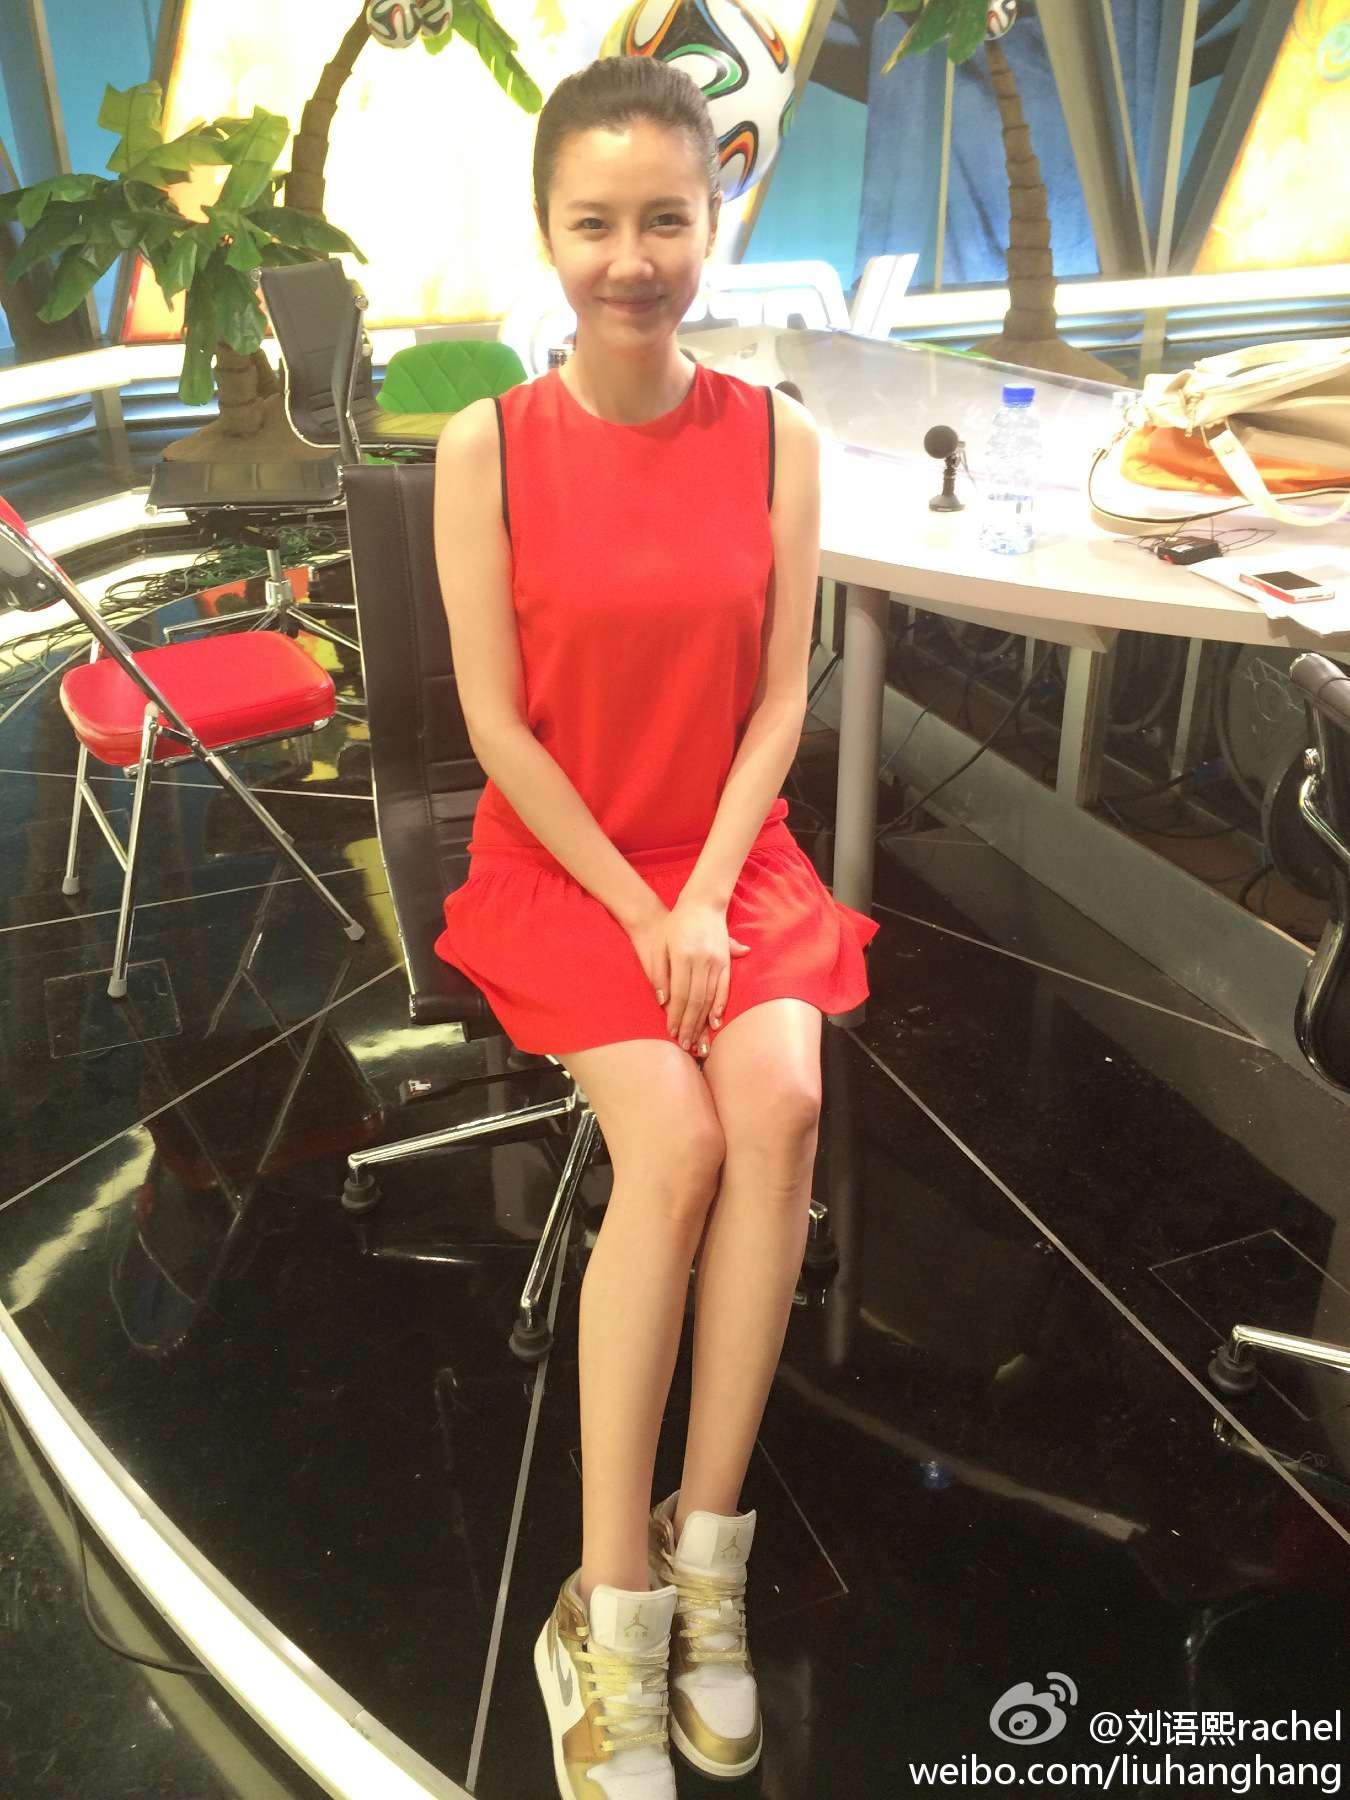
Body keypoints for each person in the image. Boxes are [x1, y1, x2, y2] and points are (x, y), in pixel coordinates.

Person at [430, 54, 880, 1799]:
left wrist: (700, 895)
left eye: (667, 219)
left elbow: (781, 703)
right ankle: (604, 1605)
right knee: (675, 1145)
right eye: (595, 222)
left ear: (714, 219)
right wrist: (638, 902)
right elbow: (494, 726)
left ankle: (709, 1562)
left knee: (782, 1104)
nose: (632, 259)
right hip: (567, 862)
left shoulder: (778, 438)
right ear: (549, 232)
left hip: (724, 856)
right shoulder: (486, 447)